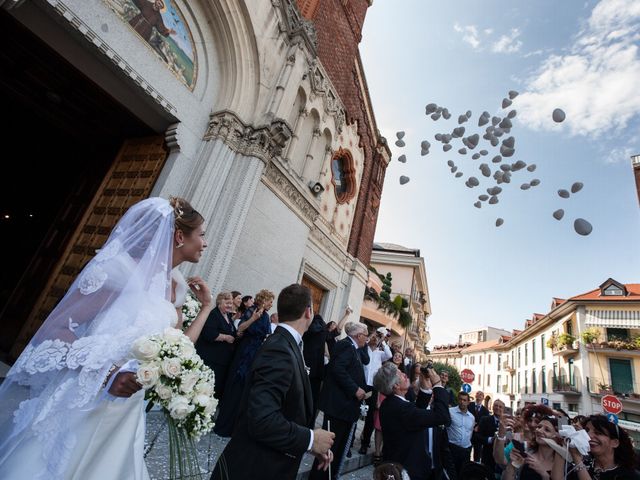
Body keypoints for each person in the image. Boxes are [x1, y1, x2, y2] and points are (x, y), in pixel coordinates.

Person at [0, 196, 212, 479]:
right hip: (92, 396)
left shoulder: (177, 286)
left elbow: (180, 346)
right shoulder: (121, 271)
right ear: (178, 236)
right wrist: (106, 373)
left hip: (128, 408)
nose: (205, 243)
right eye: (201, 235)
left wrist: (206, 308)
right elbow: (57, 328)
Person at [211, 284, 335, 480]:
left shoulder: (289, 344)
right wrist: (310, 439)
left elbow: (286, 408)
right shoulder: (279, 349)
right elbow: (262, 419)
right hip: (254, 468)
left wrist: (308, 444)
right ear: (308, 312)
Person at [309, 321, 369, 480]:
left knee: (336, 451)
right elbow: (338, 369)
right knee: (328, 450)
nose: (367, 339)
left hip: (344, 409)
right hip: (337, 407)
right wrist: (355, 389)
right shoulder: (346, 346)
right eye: (366, 336)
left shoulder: (354, 348)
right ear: (358, 335)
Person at [374, 362, 451, 480]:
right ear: (395, 386)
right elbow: (442, 416)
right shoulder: (402, 409)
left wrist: (425, 387)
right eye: (401, 375)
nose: (405, 375)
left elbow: (414, 415)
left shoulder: (389, 403)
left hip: (397, 465)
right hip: (408, 471)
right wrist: (437, 384)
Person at [213, 289, 274, 437]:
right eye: (270, 301)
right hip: (244, 352)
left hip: (255, 354)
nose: (272, 304)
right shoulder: (252, 311)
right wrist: (253, 318)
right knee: (235, 386)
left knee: (243, 391)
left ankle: (234, 426)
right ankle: (223, 425)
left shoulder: (266, 316)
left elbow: (265, 334)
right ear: (264, 300)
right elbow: (240, 328)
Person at [554, 414, 640, 480]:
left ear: (615, 443)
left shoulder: (629, 475)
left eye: (598, 432)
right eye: (586, 431)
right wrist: (562, 446)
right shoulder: (585, 464)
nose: (588, 436)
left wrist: (577, 459)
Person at [195, 291, 237, 400]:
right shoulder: (213, 314)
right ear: (219, 303)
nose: (230, 305)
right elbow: (209, 334)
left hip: (220, 361)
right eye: (227, 303)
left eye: (231, 303)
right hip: (210, 359)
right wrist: (226, 337)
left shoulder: (227, 315)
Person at [359, 328, 392, 456]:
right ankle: (349, 442)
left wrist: (383, 341)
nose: (375, 338)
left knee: (370, 418)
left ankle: (364, 444)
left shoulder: (380, 353)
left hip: (373, 387)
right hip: (361, 385)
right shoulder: (363, 349)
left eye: (377, 337)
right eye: (374, 336)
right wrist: (371, 336)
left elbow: (389, 355)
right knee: (356, 412)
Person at [303, 313, 329, 418]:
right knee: (312, 400)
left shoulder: (311, 327)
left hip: (308, 367)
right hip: (317, 370)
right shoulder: (323, 329)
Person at [447, 391, 475, 476]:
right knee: (451, 474)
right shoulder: (450, 412)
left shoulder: (471, 417)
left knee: (463, 474)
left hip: (465, 450)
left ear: (468, 402)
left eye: (464, 400)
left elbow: (470, 432)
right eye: (460, 399)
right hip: (452, 448)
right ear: (458, 400)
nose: (462, 402)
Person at [471, 391, 490, 461]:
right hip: (468, 432)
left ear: (483, 398)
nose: (479, 395)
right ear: (475, 396)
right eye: (477, 394)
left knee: (477, 455)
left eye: (481, 394)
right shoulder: (469, 405)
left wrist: (479, 426)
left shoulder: (485, 411)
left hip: (478, 435)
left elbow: (486, 423)